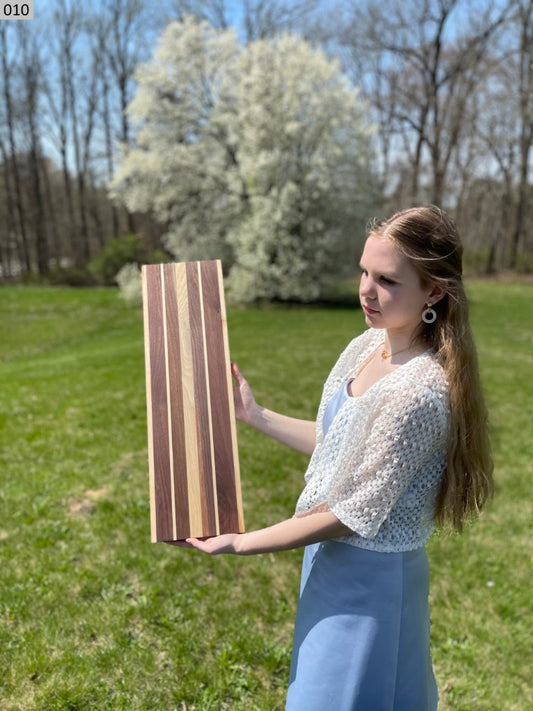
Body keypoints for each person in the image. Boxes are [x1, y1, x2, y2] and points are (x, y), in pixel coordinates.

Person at [181, 206, 494, 710]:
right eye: (364, 271)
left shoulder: (418, 391)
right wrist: (256, 414)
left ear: (434, 290)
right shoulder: (370, 345)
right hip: (329, 565)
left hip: (371, 586)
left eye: (388, 280)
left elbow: (347, 514)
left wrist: (240, 543)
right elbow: (338, 450)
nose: (366, 290)